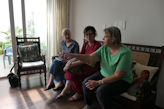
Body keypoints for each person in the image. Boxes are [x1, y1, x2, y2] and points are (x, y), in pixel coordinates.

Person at [65, 26, 133, 109]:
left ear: (113, 38)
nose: (103, 38)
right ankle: (88, 105)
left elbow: (117, 76)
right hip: (104, 74)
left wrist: (99, 82)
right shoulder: (104, 48)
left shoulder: (125, 53)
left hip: (122, 80)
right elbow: (90, 58)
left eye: (106, 36)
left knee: (101, 91)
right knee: (85, 82)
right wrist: (73, 55)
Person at [56, 26, 101, 101]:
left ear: (94, 34)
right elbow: (79, 56)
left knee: (72, 71)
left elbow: (89, 60)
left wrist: (72, 64)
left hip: (91, 66)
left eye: (91, 34)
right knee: (69, 70)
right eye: (86, 35)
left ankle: (77, 93)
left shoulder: (97, 45)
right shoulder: (86, 44)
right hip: (83, 65)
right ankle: (68, 90)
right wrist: (69, 62)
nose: (89, 36)